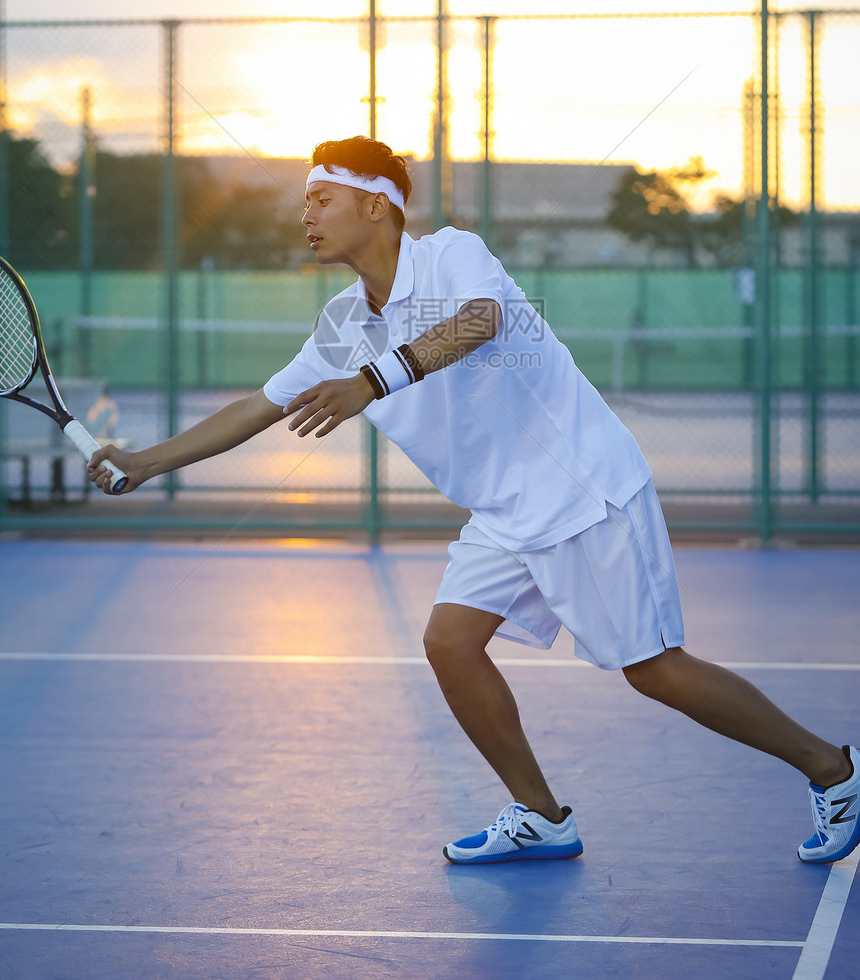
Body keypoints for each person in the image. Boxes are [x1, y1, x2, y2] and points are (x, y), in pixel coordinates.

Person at [89, 136, 859, 867]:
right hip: (504, 512)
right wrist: (145, 462)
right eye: (306, 202)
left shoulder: (453, 253)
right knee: (450, 644)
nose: (307, 215)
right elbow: (259, 406)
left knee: (653, 669)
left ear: (376, 208)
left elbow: (480, 322)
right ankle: (542, 818)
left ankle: (834, 770)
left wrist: (374, 380)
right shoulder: (342, 324)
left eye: (323, 199)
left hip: (582, 488)